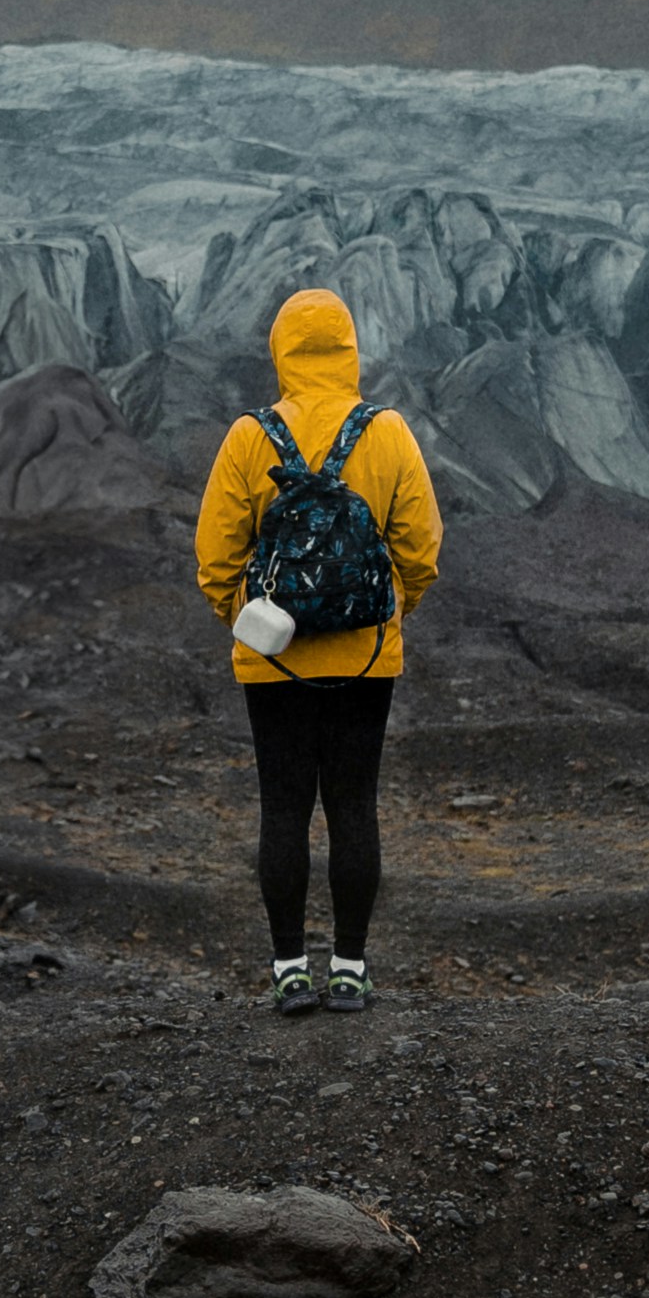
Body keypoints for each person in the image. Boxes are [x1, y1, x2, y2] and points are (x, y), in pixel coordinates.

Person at [192, 284, 442, 1011]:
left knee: (283, 810)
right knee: (354, 807)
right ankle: (354, 972)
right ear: (349, 351)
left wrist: (252, 624)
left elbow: (215, 555)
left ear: (281, 352)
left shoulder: (250, 437)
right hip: (367, 659)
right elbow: (421, 549)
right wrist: (384, 617)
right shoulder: (388, 432)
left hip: (272, 663)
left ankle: (291, 971)